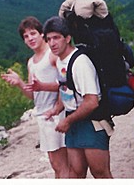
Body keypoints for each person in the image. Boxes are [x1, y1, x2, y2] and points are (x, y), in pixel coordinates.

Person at [42, 16, 112, 179]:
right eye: (49, 39)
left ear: (67, 38)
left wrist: (67, 121)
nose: (52, 43)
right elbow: (65, 88)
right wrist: (57, 109)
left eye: (56, 38)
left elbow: (92, 102)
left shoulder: (80, 62)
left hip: (92, 122)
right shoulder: (60, 61)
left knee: (100, 172)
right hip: (74, 122)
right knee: (76, 172)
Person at [1, 16, 69, 178]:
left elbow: (66, 84)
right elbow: (33, 95)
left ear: (42, 34)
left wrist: (57, 107)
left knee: (62, 165)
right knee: (55, 164)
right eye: (26, 36)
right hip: (43, 115)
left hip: (56, 114)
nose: (30, 38)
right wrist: (19, 83)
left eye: (33, 33)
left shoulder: (52, 55)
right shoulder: (31, 62)